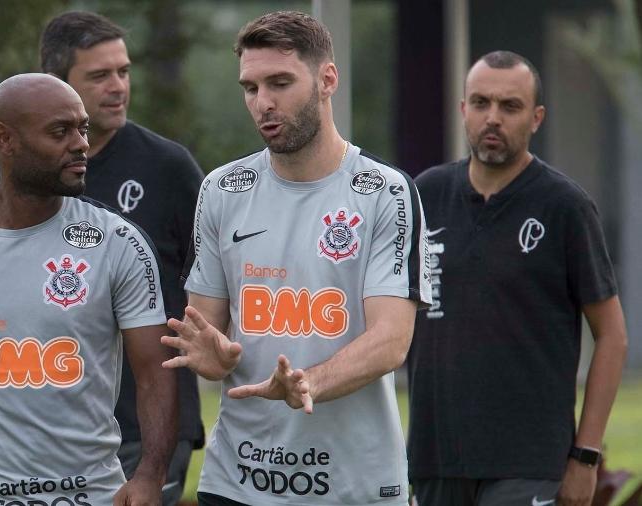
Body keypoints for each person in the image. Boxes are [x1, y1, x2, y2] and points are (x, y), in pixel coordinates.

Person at [160, 11, 432, 506]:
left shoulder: (384, 192)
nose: (263, 102)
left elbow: (392, 340)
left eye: (280, 82)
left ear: (328, 79)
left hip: (355, 485)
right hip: (238, 482)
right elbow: (207, 335)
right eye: (250, 87)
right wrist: (211, 357)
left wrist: (308, 383)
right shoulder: (221, 190)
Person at [0, 73, 177, 506]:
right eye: (60, 132)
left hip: (90, 496)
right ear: (4, 138)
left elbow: (154, 373)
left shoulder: (118, 244)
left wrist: (150, 475)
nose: (81, 143)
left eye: (82, 128)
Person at [0, 13, 205, 504]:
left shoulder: (168, 168)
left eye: (123, 72)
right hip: (52, 424)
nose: (117, 87)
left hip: (144, 427)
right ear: (58, 84)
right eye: (99, 75)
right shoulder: (25, 175)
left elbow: (213, 282)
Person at [407, 51, 628, 506]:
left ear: (536, 118)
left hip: (529, 464)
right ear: (463, 109)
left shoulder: (565, 207)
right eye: (481, 102)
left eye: (510, 106)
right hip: (435, 456)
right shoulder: (423, 195)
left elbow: (613, 337)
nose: (493, 118)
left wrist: (585, 457)